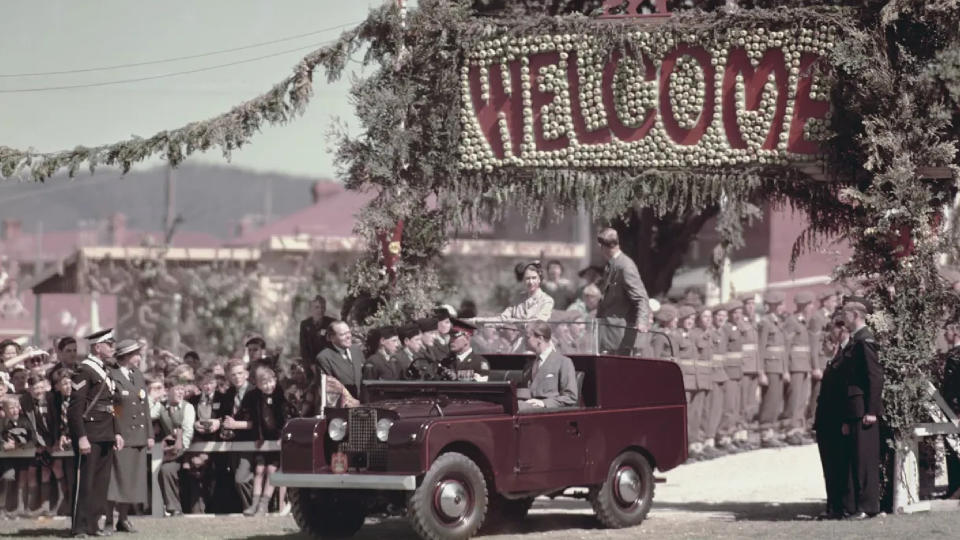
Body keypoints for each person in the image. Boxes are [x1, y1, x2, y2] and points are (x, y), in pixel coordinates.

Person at [67, 328, 123, 538]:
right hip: (89, 433)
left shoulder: (106, 370)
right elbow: (75, 409)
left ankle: (93, 525)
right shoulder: (85, 370)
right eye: (109, 344)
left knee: (101, 483)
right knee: (86, 481)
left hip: (107, 432)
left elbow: (116, 404)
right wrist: (81, 436)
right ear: (97, 347)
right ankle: (79, 527)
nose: (113, 348)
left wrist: (117, 431)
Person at [837, 296, 883, 519]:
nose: (842, 318)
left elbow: (874, 377)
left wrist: (872, 410)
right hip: (854, 409)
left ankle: (868, 506)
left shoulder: (865, 340)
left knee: (864, 460)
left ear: (855, 315)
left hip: (864, 409)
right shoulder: (856, 340)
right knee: (856, 458)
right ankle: (859, 506)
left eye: (845, 314)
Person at [105, 340, 153, 533]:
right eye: (136, 354)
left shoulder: (138, 375)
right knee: (115, 481)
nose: (139, 358)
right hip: (122, 436)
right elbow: (113, 408)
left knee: (132, 480)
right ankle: (109, 520)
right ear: (125, 356)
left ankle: (123, 519)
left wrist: (149, 434)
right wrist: (115, 432)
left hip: (138, 436)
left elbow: (145, 406)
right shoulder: (112, 375)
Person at [236, 365, 294, 516]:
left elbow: (287, 418)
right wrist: (258, 436)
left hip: (278, 440)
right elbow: (254, 419)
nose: (268, 386)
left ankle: (264, 504)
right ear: (257, 384)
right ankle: (254, 505)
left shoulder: (282, 396)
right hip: (262, 440)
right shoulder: (253, 397)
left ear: (275, 380)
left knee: (271, 470)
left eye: (270, 382)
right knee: (259, 469)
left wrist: (282, 437)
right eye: (264, 383)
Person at [814, 314, 854, 520]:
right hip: (826, 421)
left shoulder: (846, 356)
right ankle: (833, 506)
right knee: (829, 466)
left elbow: (845, 391)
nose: (830, 335)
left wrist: (846, 419)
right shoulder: (835, 355)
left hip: (837, 420)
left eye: (834, 330)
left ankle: (841, 506)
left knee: (838, 465)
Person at [595, 228, 651, 355]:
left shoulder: (625, 266)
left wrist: (642, 322)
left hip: (619, 339)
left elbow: (641, 297)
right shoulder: (612, 264)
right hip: (608, 334)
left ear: (603, 247)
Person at [517, 321, 578, 411]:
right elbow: (527, 392)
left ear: (540, 339)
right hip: (527, 410)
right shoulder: (529, 365)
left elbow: (570, 397)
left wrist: (543, 403)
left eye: (527, 337)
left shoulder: (563, 363)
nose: (523, 341)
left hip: (548, 413)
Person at [218, 359, 254, 511]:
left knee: (241, 479)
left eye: (240, 373)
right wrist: (224, 428)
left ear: (246, 373)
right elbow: (224, 417)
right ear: (228, 377)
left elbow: (258, 423)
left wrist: (236, 425)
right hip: (232, 444)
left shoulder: (255, 392)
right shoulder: (228, 394)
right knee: (234, 478)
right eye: (233, 374)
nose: (237, 377)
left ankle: (254, 509)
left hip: (253, 444)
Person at [157, 378, 195, 517]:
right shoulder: (161, 406)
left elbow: (188, 433)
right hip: (168, 453)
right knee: (166, 470)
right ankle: (174, 509)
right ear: (168, 391)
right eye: (177, 389)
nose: (180, 392)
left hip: (186, 451)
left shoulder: (188, 407)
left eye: (182, 389)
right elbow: (149, 414)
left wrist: (176, 451)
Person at [782, 292, 816, 446]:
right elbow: (786, 347)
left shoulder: (804, 322)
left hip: (804, 366)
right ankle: (790, 431)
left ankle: (799, 430)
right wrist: (785, 370)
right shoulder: (791, 321)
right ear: (803, 306)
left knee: (802, 399)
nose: (812, 308)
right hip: (794, 366)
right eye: (810, 305)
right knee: (794, 400)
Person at [757, 292, 789, 448]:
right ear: (774, 306)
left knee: (776, 401)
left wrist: (785, 370)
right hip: (769, 367)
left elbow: (782, 349)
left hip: (778, 367)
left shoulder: (778, 322)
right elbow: (761, 348)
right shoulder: (765, 323)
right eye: (781, 304)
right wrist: (761, 371)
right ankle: (765, 433)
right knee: (770, 401)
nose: (783, 307)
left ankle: (771, 431)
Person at [807, 290, 838, 431]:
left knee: (828, 394)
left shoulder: (832, 317)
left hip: (829, 360)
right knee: (817, 393)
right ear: (825, 302)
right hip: (820, 361)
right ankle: (812, 423)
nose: (835, 304)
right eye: (833, 301)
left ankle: (824, 422)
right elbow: (813, 344)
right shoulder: (817, 318)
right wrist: (815, 367)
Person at [1, 393, 36, 517]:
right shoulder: (2, 423)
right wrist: (3, 445)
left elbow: (33, 438)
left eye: (16, 407)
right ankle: (3, 508)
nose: (15, 410)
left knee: (23, 478)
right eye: (11, 407)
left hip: (24, 456)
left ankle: (22, 508)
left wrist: (20, 445)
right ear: (4, 410)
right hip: (6, 457)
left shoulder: (25, 421)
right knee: (8, 477)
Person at [316, 321, 365, 398]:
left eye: (348, 332)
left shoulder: (356, 350)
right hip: (342, 405)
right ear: (332, 338)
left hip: (362, 404)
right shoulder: (324, 357)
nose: (348, 336)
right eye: (343, 334)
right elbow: (329, 388)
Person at [299, 295, 336, 379]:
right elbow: (303, 348)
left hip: (328, 365)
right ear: (311, 309)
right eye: (317, 307)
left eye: (323, 307)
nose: (320, 310)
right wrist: (311, 365)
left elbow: (334, 345)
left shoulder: (331, 323)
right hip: (310, 366)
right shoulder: (305, 325)